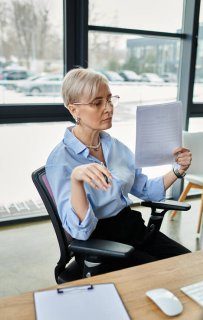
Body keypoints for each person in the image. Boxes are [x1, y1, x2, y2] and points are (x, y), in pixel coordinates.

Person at [46, 67, 192, 277]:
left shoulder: (116, 148)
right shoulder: (60, 161)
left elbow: (145, 190)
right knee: (168, 277)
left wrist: (178, 170)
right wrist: (77, 179)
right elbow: (80, 231)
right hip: (100, 242)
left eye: (109, 99)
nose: (108, 108)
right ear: (74, 110)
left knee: (192, 265)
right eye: (97, 103)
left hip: (134, 230)